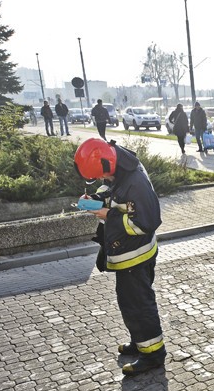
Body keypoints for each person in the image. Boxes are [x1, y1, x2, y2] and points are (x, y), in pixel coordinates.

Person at [74, 138, 167, 376]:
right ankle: (140, 342)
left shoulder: (135, 182)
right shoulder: (120, 165)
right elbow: (112, 190)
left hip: (135, 257)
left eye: (102, 177)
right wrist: (96, 199)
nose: (103, 181)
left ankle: (153, 355)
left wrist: (106, 214)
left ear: (108, 165)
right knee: (129, 303)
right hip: (128, 255)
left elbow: (145, 223)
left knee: (139, 305)